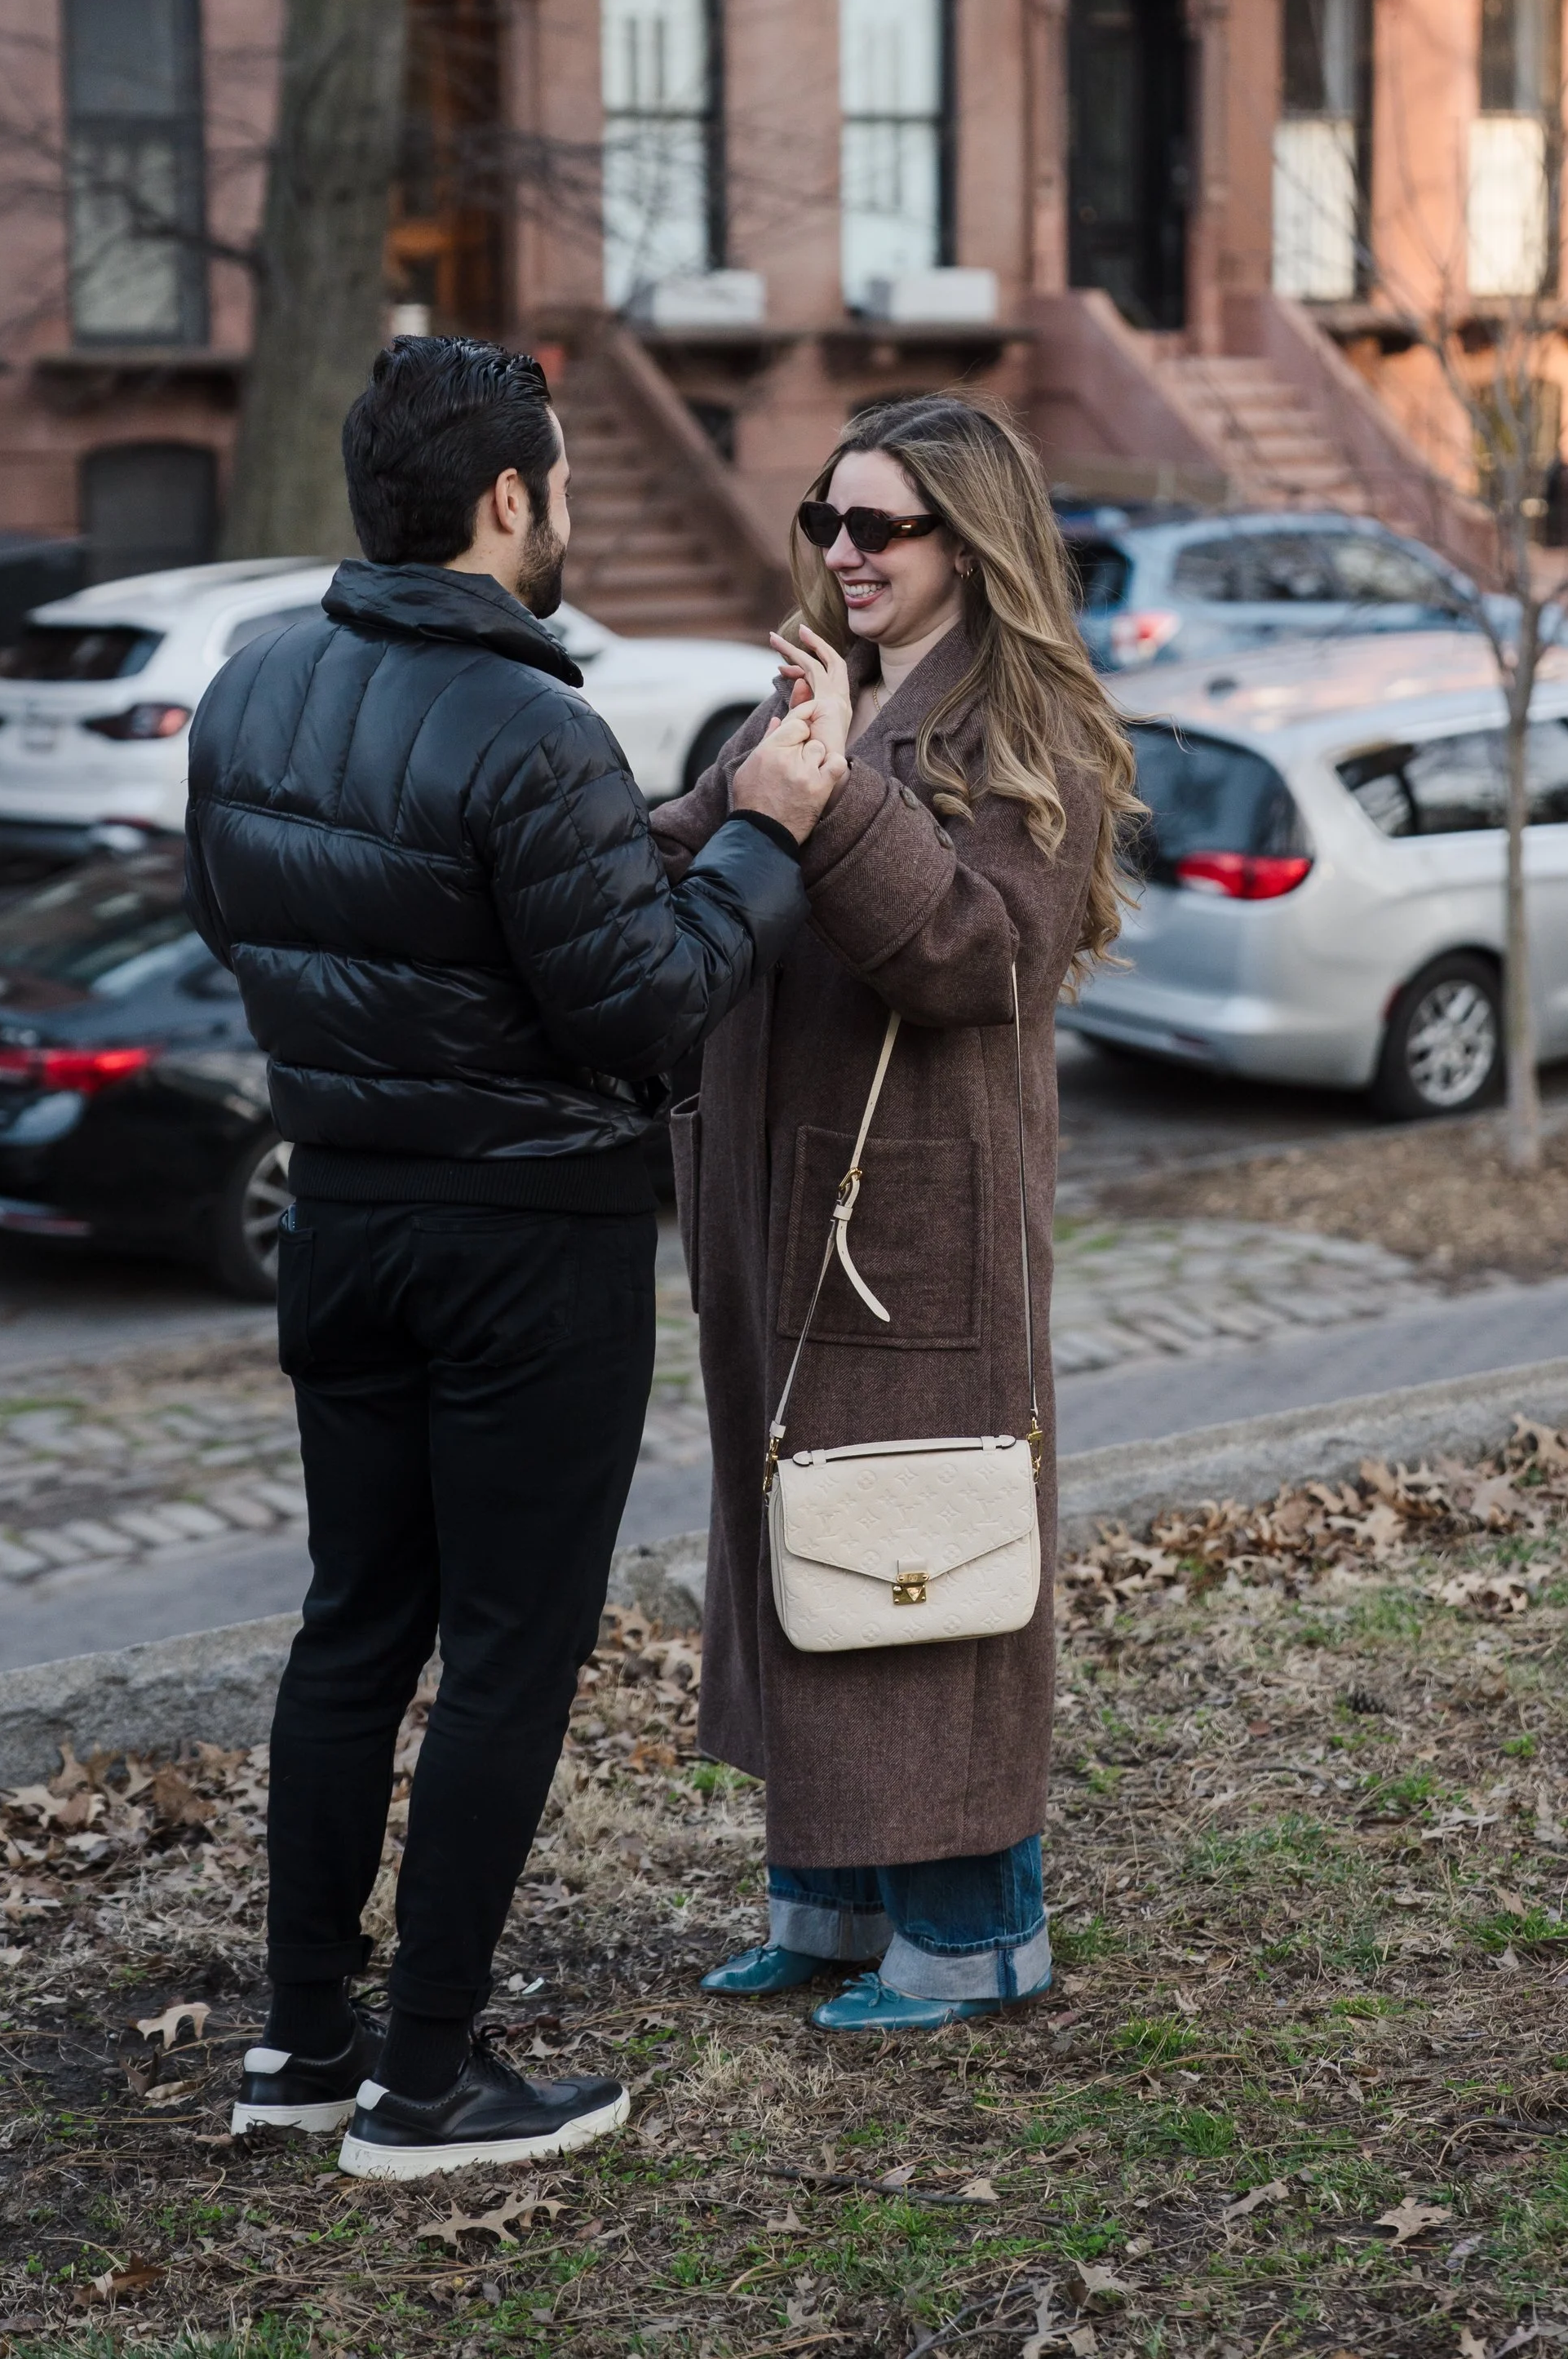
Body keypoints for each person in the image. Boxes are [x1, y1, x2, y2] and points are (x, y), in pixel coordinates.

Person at [185, 336, 835, 2175]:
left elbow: (244, 915)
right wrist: (764, 840)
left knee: (350, 1632)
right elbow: (645, 1008)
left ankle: (302, 2045)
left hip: (340, 1220)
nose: (563, 518)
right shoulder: (532, 721)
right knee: (506, 1656)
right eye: (554, 488)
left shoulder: (250, 687)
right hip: (524, 1249)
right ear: (505, 501)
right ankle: (427, 2082)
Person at [648, 390, 1140, 2030]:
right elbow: (694, 839)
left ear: (967, 541)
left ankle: (980, 1935)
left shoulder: (1028, 730)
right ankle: (834, 1904)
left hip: (914, 1215)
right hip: (774, 1206)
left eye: (879, 528)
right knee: (801, 1531)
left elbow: (977, 958)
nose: (841, 553)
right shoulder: (814, 697)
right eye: (827, 521)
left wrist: (825, 801)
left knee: (922, 1544)